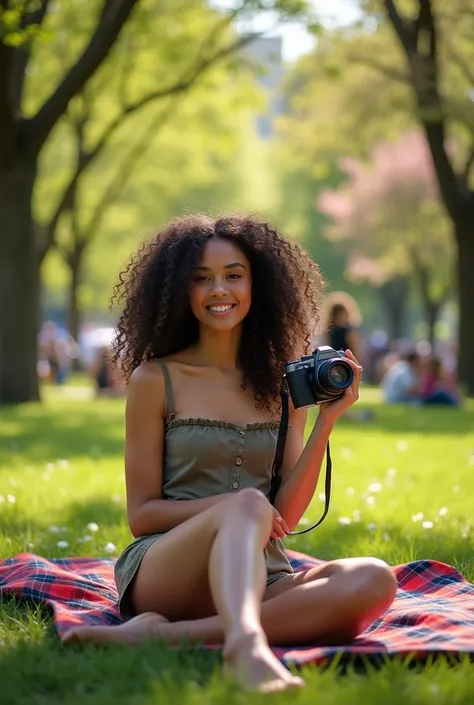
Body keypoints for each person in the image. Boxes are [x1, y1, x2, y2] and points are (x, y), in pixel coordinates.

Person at [61, 214, 397, 692]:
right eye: (202, 279)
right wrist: (232, 507)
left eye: (233, 275)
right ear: (181, 291)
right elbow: (142, 515)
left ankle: (166, 636)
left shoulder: (283, 384)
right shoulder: (155, 380)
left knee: (374, 579)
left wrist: (327, 421)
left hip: (264, 570)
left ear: (257, 284)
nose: (220, 290)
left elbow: (286, 515)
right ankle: (245, 648)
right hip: (167, 568)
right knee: (246, 504)